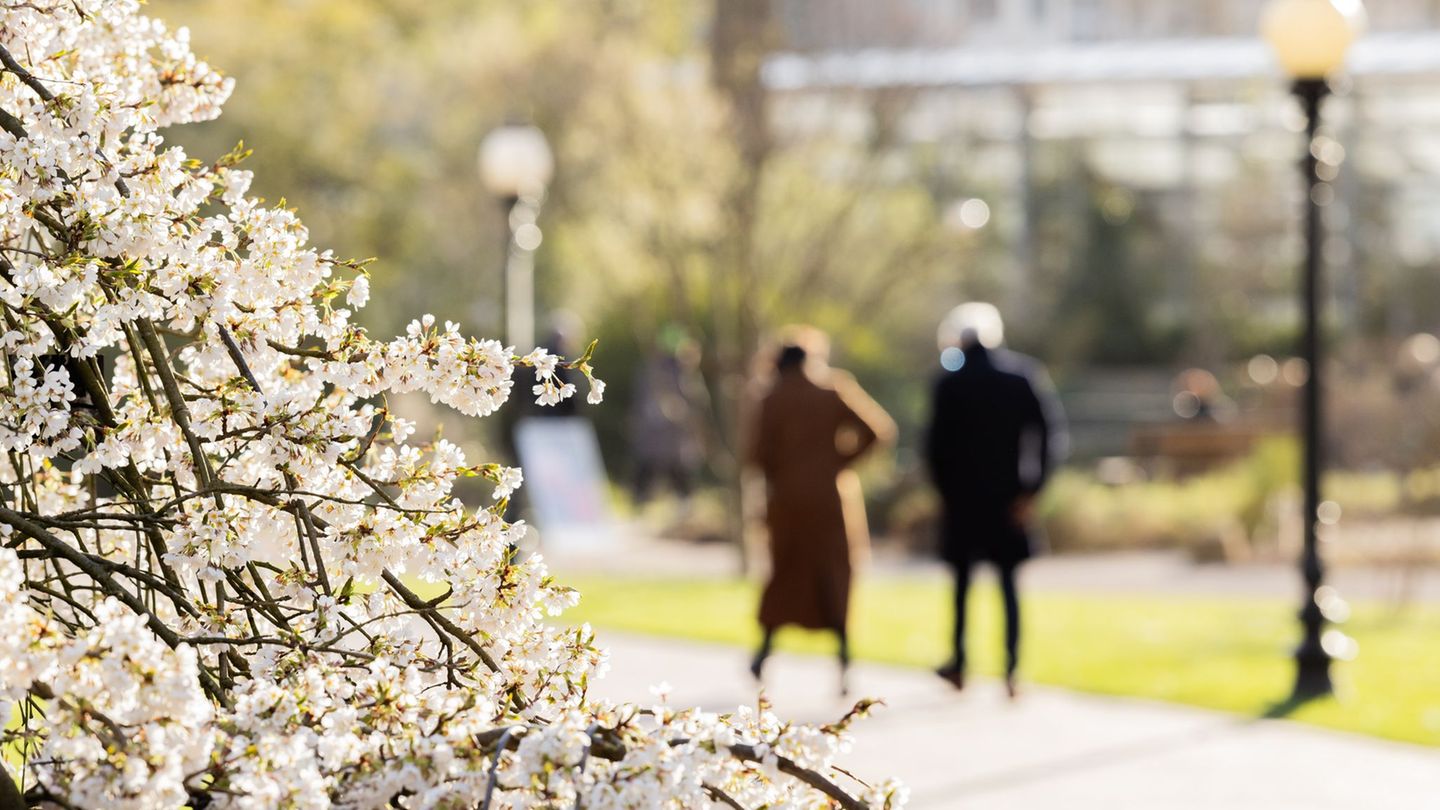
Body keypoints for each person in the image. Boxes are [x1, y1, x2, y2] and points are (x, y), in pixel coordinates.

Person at [926, 303, 1066, 698]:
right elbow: (1050, 435)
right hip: (1010, 498)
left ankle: (958, 664)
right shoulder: (1021, 375)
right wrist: (1032, 490)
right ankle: (1011, 670)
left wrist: (944, 494)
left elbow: (934, 448)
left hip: (963, 503)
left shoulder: (948, 382)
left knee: (961, 587)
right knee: (1008, 585)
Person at [747, 328, 895, 695]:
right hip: (831, 502)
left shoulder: (772, 398)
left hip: (787, 504)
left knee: (784, 575)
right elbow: (879, 430)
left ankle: (762, 656)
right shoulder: (833, 391)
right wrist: (839, 463)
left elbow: (756, 455)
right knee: (834, 578)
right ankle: (844, 662)